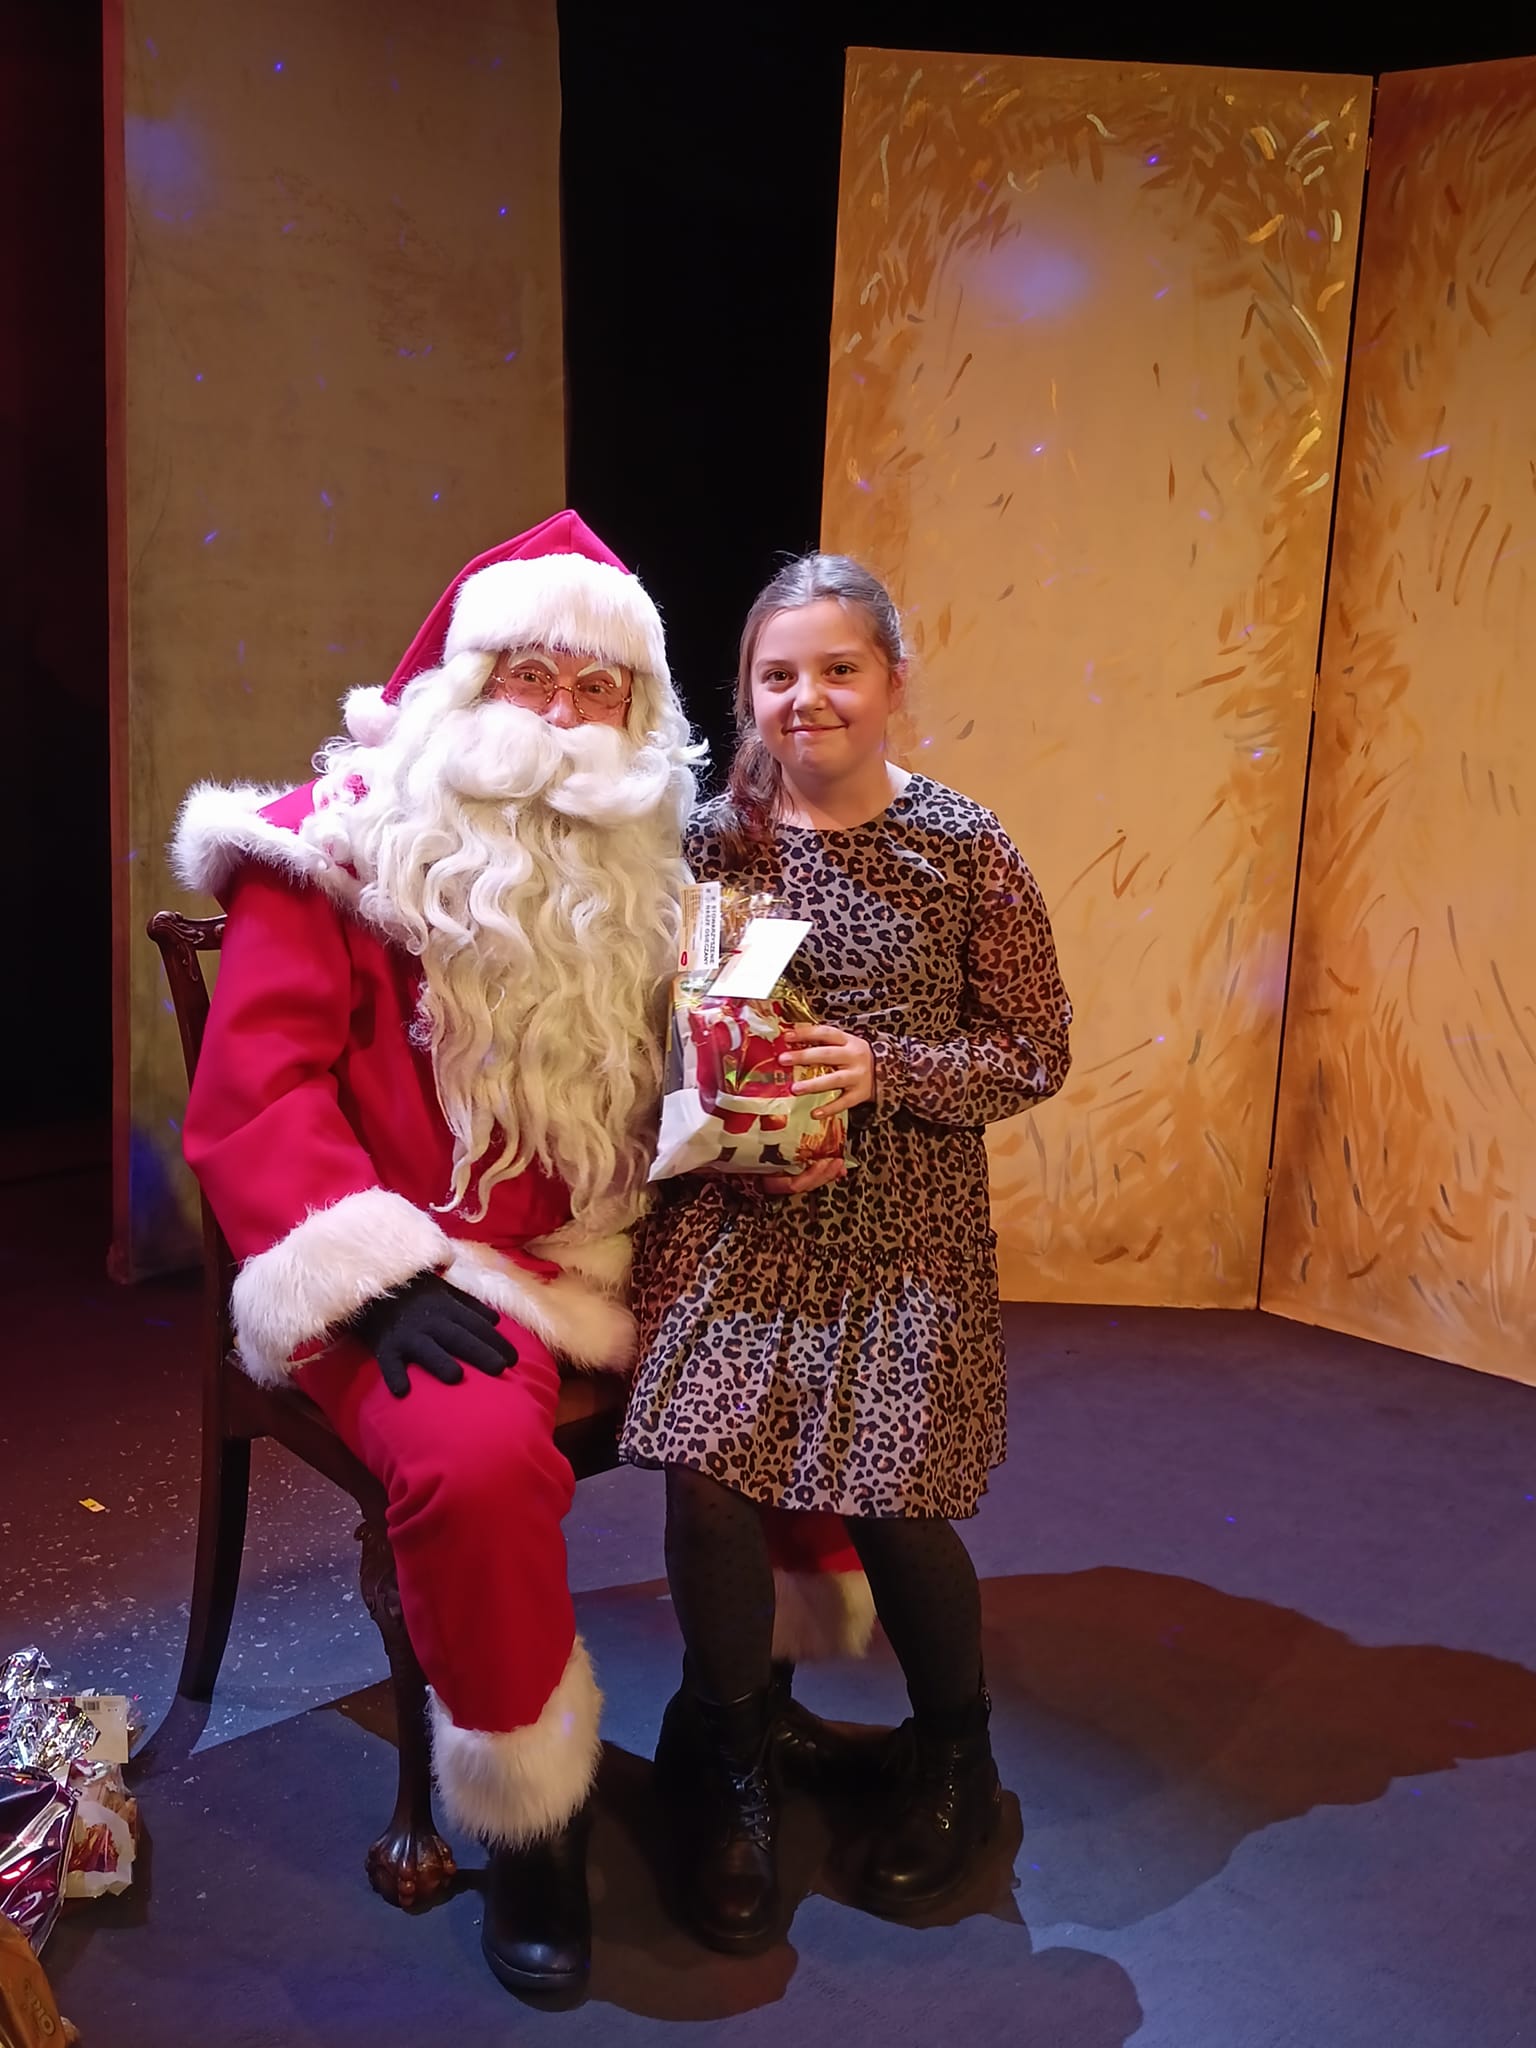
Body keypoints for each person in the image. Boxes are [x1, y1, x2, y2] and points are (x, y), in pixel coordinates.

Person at [170, 511, 698, 1999]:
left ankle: (741, 1733)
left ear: (637, 713)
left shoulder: (658, 870)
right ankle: (531, 1819)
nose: (559, 717)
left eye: (594, 690)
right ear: (463, 686)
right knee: (468, 1461)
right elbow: (258, 1095)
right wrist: (375, 1277)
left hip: (614, 1244)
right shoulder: (333, 849)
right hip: (412, 1264)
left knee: (797, 1350)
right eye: (528, 676)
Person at [622, 553, 1073, 1951]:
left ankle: (956, 1754)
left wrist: (886, 1068)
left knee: (893, 1491)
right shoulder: (710, 845)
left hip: (904, 1222)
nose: (805, 698)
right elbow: (660, 1038)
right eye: (777, 674)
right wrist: (721, 1116)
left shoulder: (962, 846)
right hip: (739, 1216)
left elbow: (1036, 1051)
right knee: (706, 1475)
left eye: (837, 669)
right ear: (745, 692)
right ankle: (733, 1758)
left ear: (891, 682)